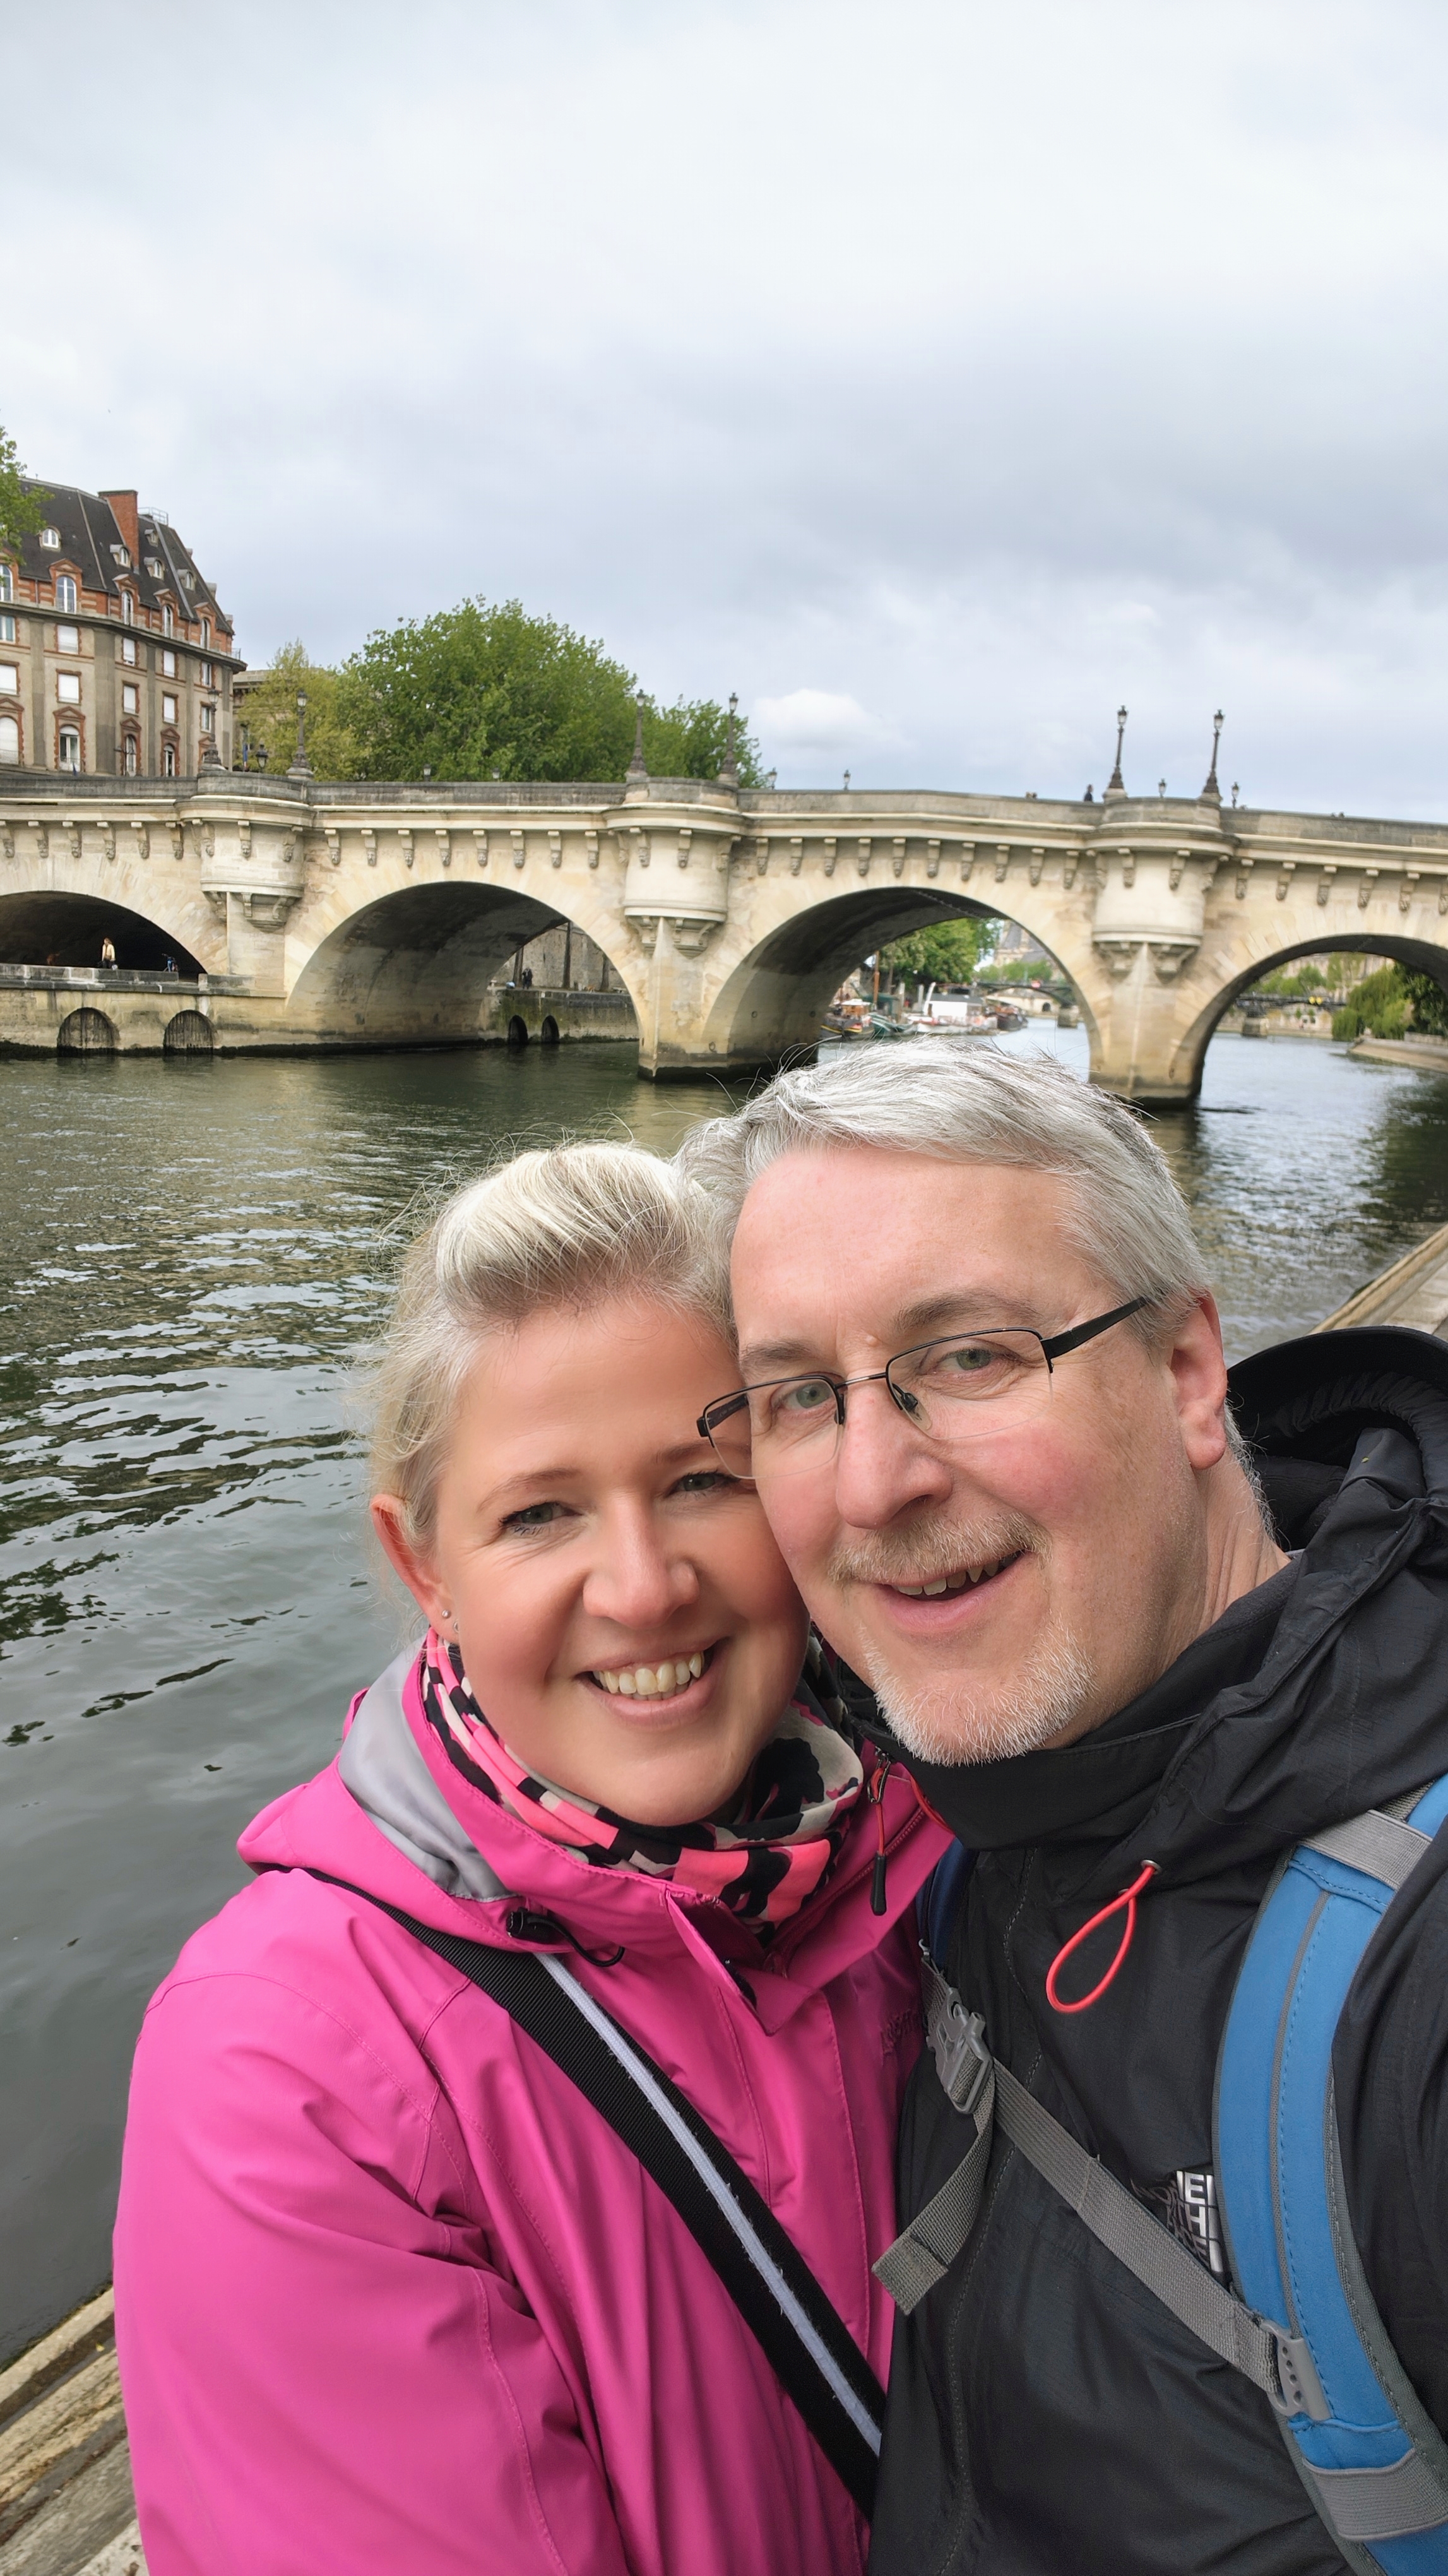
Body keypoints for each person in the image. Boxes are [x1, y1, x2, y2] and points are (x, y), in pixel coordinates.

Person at [114, 1142, 947, 2576]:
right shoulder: (287, 2074)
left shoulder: (941, 1858)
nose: (643, 1587)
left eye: (703, 1480)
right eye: (540, 1514)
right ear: (424, 1567)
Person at [680, 1039, 1448, 2576]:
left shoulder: (1407, 1980)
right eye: (798, 1396)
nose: (871, 1484)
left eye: (970, 1356)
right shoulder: (973, 1787)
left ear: (1185, 1373)